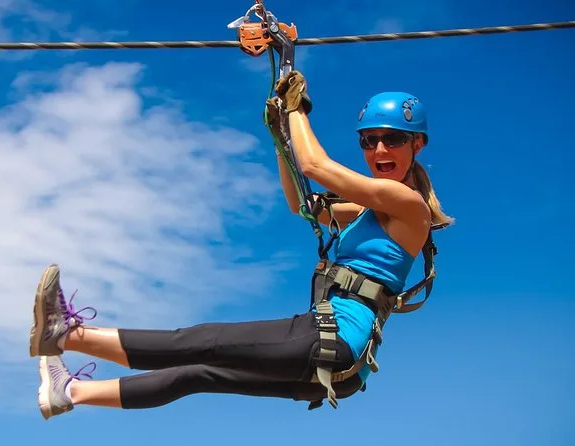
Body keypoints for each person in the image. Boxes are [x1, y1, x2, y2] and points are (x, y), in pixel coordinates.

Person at [29, 70, 453, 420]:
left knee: (202, 339)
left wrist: (296, 108)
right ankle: (70, 393)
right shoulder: (366, 210)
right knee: (196, 373)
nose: (379, 149)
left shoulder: (407, 204)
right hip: (342, 365)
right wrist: (281, 137)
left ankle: (67, 334)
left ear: (417, 144)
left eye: (393, 139)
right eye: (368, 140)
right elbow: (301, 204)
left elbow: (315, 166)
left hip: (336, 340)